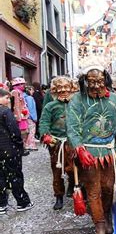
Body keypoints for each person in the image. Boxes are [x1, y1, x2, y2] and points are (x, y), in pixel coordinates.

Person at [67, 59, 116, 234]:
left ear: (105, 80)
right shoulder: (77, 101)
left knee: (108, 188)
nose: (96, 85)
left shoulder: (114, 99)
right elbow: (72, 127)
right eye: (92, 82)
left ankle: (106, 216)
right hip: (89, 153)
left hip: (109, 152)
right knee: (94, 190)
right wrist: (79, 149)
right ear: (85, 82)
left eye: (100, 81)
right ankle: (98, 225)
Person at [39, 76, 75, 210]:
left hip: (73, 142)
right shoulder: (50, 106)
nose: (64, 91)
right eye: (60, 88)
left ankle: (72, 185)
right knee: (57, 170)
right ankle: (59, 195)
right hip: (56, 143)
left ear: (71, 89)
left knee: (74, 167)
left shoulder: (76, 104)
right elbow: (44, 122)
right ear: (55, 90)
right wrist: (46, 135)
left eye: (66, 87)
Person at [0, 88, 34, 215]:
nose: (9, 100)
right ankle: (22, 202)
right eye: (7, 98)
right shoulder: (5, 111)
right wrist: (20, 145)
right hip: (9, 150)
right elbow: (14, 131)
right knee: (15, 176)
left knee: (0, 177)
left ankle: (2, 204)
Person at [10, 78, 30, 156]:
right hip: (20, 117)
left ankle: (22, 148)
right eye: (22, 84)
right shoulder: (15, 92)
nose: (23, 86)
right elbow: (16, 106)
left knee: (25, 132)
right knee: (21, 133)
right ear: (17, 85)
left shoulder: (20, 92)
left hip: (23, 116)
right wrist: (18, 117)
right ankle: (20, 149)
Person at [24, 86, 38, 151]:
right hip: (30, 117)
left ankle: (26, 144)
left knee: (28, 131)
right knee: (32, 131)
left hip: (26, 116)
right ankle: (31, 145)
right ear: (29, 90)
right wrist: (34, 117)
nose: (33, 91)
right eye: (32, 90)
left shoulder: (24, 97)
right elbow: (31, 109)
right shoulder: (30, 98)